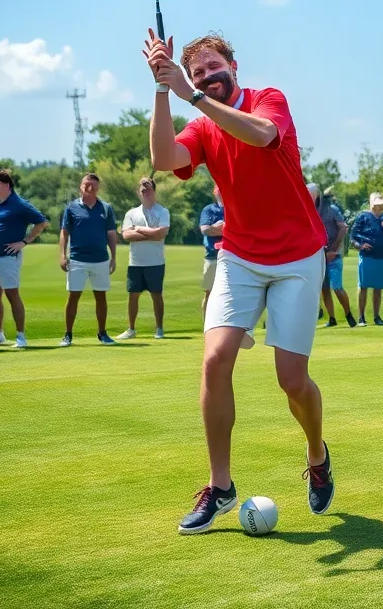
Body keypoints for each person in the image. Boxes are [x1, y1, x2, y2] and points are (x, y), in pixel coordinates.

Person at [145, 28, 333, 534]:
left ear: (234, 66)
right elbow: (165, 159)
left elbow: (262, 135)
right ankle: (221, 486)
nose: (208, 76)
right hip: (240, 256)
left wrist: (191, 95)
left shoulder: (268, 99)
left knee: (292, 380)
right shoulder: (201, 123)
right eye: (197, 72)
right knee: (214, 359)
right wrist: (162, 88)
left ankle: (317, 453)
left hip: (298, 256)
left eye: (214, 66)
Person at [0, 169, 49, 348]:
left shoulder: (19, 204)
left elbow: (42, 222)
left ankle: (20, 337)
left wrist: (24, 241)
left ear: (7, 185)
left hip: (9, 257)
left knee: (12, 294)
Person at [58, 174, 118, 347]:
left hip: (100, 259)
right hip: (77, 259)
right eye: (86, 184)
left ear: (98, 188)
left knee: (101, 296)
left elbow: (111, 234)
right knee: (73, 296)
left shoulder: (106, 208)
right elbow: (64, 232)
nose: (90, 187)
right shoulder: (71, 207)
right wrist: (62, 255)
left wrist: (113, 257)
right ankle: (68, 334)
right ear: (81, 186)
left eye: (93, 185)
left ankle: (102, 333)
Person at [118, 177, 170, 340]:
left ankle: (159, 329)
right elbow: (126, 235)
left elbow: (161, 234)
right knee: (133, 295)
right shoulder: (131, 213)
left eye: (148, 189)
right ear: (138, 193)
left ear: (154, 191)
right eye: (143, 190)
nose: (145, 192)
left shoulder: (162, 211)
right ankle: (131, 329)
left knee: (156, 295)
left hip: (155, 262)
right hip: (135, 263)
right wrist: (151, 233)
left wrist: (139, 229)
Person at [306, 183, 355, 329]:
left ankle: (348, 314)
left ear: (317, 195)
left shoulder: (331, 209)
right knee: (324, 288)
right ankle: (332, 318)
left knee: (337, 287)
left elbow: (343, 227)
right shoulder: (307, 210)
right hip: (318, 256)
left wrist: (333, 249)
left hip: (334, 255)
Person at [350, 193, 383, 326]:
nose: (380, 206)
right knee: (363, 286)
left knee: (378, 288)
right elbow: (353, 235)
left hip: (381, 256)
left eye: (381, 204)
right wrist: (360, 245)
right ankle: (361, 317)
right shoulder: (363, 216)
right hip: (366, 256)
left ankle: (377, 316)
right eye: (378, 204)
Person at [199, 186, 225, 320]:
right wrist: (223, 229)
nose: (221, 191)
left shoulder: (234, 208)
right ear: (214, 192)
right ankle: (207, 324)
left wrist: (217, 228)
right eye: (218, 188)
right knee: (209, 292)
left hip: (231, 256)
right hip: (212, 256)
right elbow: (205, 230)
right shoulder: (209, 209)